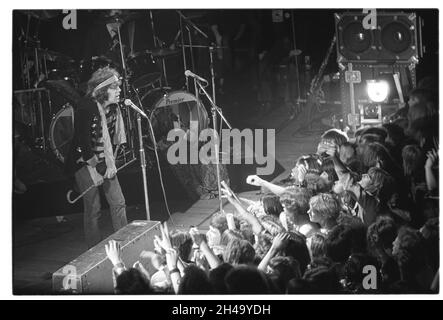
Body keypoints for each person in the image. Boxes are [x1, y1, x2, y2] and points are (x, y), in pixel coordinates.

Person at [66, 67, 128, 248]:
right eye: (114, 87)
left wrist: (110, 164)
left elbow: (113, 140)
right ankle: (94, 250)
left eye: (119, 87)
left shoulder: (114, 108)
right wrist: (99, 168)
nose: (119, 91)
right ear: (102, 91)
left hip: (105, 161)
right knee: (93, 209)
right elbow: (83, 144)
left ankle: (123, 242)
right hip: (84, 162)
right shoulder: (86, 108)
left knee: (118, 202)